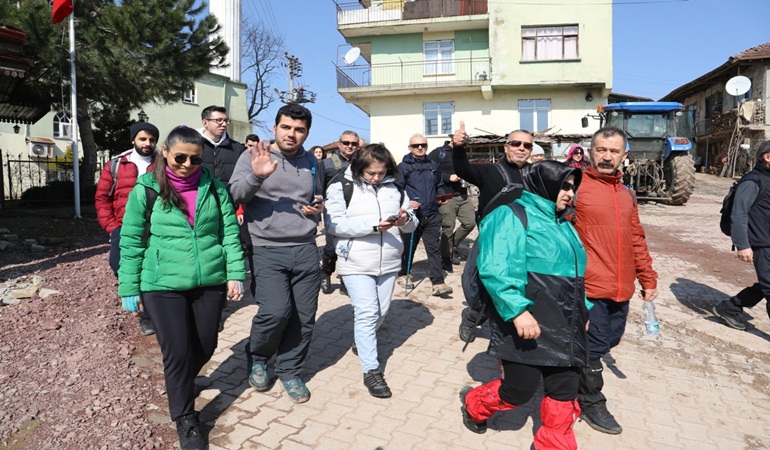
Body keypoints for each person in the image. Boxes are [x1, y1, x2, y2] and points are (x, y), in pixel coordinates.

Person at [117, 126, 246, 450]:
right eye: (180, 158)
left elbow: (229, 234)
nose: (187, 165)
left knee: (205, 345)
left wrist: (235, 273)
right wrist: (128, 286)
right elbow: (130, 241)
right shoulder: (146, 189)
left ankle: (182, 382)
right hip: (162, 284)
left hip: (209, 281)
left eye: (195, 159)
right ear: (165, 153)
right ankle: (186, 419)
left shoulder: (215, 189)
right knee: (176, 351)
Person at [459, 161, 590, 449]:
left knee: (564, 395)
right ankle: (474, 404)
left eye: (573, 187)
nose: (570, 193)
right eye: (564, 186)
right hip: (526, 323)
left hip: (566, 326)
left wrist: (584, 310)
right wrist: (518, 311)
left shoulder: (565, 225)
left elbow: (577, 276)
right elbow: (496, 268)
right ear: (545, 184)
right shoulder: (511, 215)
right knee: (517, 391)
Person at [229, 104, 324, 404]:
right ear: (275, 128)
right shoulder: (254, 155)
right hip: (266, 247)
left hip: (306, 247)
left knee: (303, 317)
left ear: (306, 133)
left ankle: (290, 370)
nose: (291, 134)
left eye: (299, 130)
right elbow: (234, 194)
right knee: (275, 312)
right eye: (286, 127)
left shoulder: (311, 161)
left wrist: (318, 206)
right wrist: (257, 176)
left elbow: (316, 193)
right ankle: (258, 357)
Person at [573, 126, 658, 435]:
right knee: (594, 347)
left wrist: (647, 277)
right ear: (590, 152)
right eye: (601, 150)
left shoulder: (626, 194)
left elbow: (636, 238)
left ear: (624, 155)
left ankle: (570, 377)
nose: (607, 156)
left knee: (610, 339)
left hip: (621, 287)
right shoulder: (576, 188)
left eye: (613, 151)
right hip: (588, 286)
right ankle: (591, 401)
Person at [325, 144, 418, 398]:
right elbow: (334, 224)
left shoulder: (396, 189)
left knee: (381, 312)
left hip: (389, 261)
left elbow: (412, 223)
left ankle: (361, 340)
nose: (376, 178)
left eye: (381, 172)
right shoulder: (340, 186)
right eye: (371, 173)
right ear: (359, 168)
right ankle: (371, 370)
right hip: (355, 261)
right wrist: (374, 226)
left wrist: (405, 220)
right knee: (367, 312)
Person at [452, 123, 533, 341]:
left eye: (527, 145)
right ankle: (472, 318)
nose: (521, 148)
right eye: (516, 143)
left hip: (524, 242)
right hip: (493, 242)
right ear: (506, 147)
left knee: (521, 288)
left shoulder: (535, 175)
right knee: (483, 288)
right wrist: (458, 147)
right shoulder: (490, 171)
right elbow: (463, 170)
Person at [95, 121, 160, 336]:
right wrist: (112, 227)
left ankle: (148, 314)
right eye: (143, 139)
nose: (147, 143)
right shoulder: (116, 165)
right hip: (123, 228)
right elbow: (102, 198)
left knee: (153, 269)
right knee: (118, 265)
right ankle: (141, 305)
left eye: (152, 140)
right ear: (133, 140)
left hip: (155, 228)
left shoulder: (163, 164)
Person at [712, 141, 770, 331]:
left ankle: (729, 308)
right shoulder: (752, 181)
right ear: (767, 157)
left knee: (767, 283)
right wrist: (742, 245)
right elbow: (739, 213)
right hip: (762, 243)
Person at [397, 133, 452, 297]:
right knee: (409, 247)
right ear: (410, 148)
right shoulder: (403, 167)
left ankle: (438, 283)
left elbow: (439, 184)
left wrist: (441, 196)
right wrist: (407, 203)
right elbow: (397, 189)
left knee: (434, 248)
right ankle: (403, 274)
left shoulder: (433, 165)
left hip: (432, 213)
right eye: (416, 145)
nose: (420, 148)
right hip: (413, 215)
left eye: (423, 145)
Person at [319, 130, 362, 295]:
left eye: (354, 143)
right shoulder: (326, 164)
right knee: (331, 247)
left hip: (355, 209)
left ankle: (346, 280)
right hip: (333, 211)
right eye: (346, 143)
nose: (350, 146)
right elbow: (318, 189)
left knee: (350, 247)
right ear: (339, 144)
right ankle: (326, 272)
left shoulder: (362, 163)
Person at [428, 140, 476, 272]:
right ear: (452, 140)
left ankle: (452, 246)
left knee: (470, 223)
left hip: (463, 195)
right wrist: (447, 177)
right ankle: (446, 256)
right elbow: (429, 171)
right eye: (462, 143)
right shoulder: (438, 152)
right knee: (448, 227)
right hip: (446, 196)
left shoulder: (462, 153)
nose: (464, 146)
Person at [198, 105, 247, 183]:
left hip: (227, 190)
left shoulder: (238, 149)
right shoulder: (193, 145)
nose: (224, 124)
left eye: (225, 121)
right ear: (205, 123)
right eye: (218, 120)